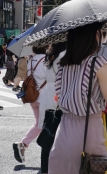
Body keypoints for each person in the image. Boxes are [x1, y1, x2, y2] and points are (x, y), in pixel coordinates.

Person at [48, 22, 107, 174]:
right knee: (94, 168)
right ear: (94, 35)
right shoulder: (97, 63)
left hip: (64, 129)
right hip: (89, 129)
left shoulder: (64, 63)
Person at [13, 46, 48, 164]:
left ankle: (23, 144)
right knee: (45, 124)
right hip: (44, 96)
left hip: (32, 95)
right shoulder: (46, 60)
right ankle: (24, 144)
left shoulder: (30, 61)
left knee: (39, 123)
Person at [36, 42, 67, 174]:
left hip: (48, 94)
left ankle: (44, 167)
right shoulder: (63, 56)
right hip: (57, 94)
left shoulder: (50, 55)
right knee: (56, 133)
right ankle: (52, 167)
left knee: (48, 130)